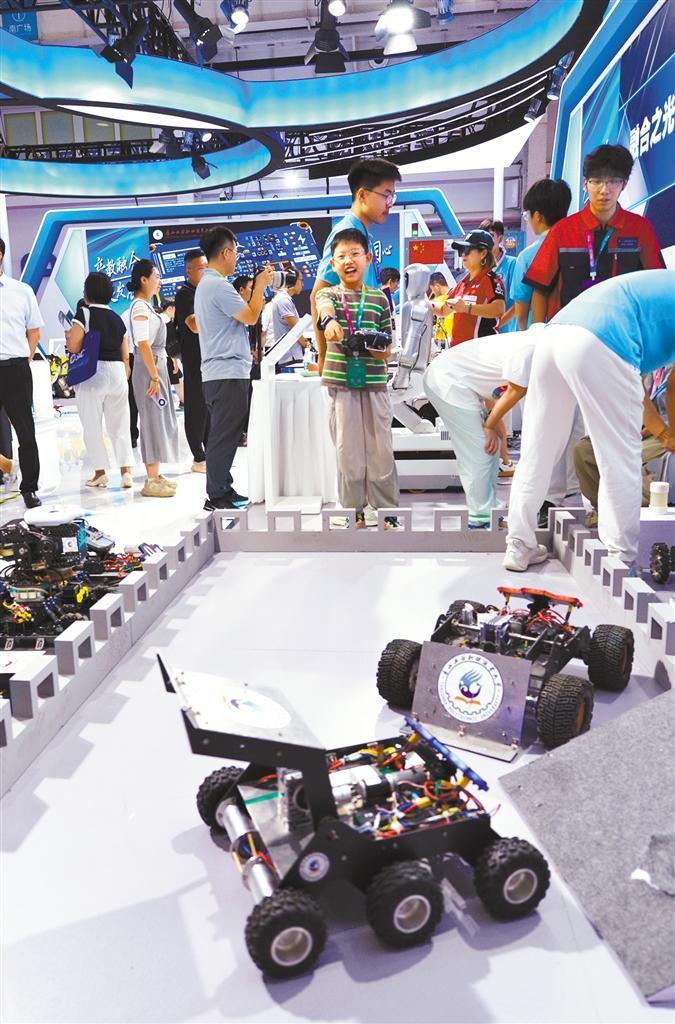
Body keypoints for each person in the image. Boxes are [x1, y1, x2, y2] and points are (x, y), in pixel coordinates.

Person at [504, 270, 675, 572]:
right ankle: (621, 561)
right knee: (619, 456)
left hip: (555, 334)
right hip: (602, 339)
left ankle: (519, 545)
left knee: (538, 450)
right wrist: (666, 434)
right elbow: (672, 388)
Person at [524, 144, 664, 323]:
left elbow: (655, 284)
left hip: (622, 330)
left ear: (624, 184)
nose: (604, 190)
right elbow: (540, 288)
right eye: (596, 181)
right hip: (569, 330)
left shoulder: (640, 229)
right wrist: (538, 330)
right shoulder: (562, 231)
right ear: (585, 184)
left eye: (613, 181)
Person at [316, 228, 398, 528]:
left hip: (375, 381)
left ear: (368, 258)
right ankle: (353, 511)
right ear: (333, 264)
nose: (348, 261)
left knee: (381, 448)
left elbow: (388, 346)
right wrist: (329, 322)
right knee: (347, 449)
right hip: (341, 382)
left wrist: (375, 348)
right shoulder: (328, 294)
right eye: (341, 256)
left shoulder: (379, 299)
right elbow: (324, 310)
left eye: (354, 254)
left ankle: (388, 511)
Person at [424, 329, 539, 528]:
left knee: (491, 447)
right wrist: (489, 425)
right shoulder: (531, 349)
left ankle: (488, 511)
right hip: (448, 382)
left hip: (457, 382)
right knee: (481, 450)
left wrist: (491, 424)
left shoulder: (533, 342)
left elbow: (487, 382)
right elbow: (514, 391)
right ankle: (480, 517)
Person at [193, 227, 273, 511]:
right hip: (226, 372)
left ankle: (223, 488)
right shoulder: (218, 286)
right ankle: (217, 495)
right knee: (224, 435)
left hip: (221, 371)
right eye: (236, 252)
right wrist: (259, 286)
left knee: (224, 433)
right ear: (226, 252)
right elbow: (250, 316)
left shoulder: (209, 285)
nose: (237, 258)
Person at [312, 157, 401, 373]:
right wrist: (323, 356)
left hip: (365, 363)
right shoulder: (345, 235)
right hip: (347, 366)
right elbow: (318, 294)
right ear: (362, 195)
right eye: (386, 195)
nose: (390, 204)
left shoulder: (363, 235)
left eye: (393, 196)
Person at [574, 370, 675, 524]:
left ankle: (631, 510)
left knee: (624, 457)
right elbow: (635, 393)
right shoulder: (653, 365)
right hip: (644, 428)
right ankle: (605, 511)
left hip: (667, 432)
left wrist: (658, 428)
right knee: (585, 449)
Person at [64, 271, 133, 489]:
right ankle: (126, 473)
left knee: (92, 425)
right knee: (120, 425)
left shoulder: (84, 313)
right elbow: (125, 354)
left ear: (87, 293)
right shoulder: (117, 318)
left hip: (92, 373)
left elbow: (74, 346)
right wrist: (123, 374)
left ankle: (100, 472)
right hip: (118, 372)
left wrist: (69, 337)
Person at [127, 260, 180, 498]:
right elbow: (142, 343)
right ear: (143, 280)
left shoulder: (146, 307)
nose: (160, 280)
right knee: (151, 420)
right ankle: (150, 479)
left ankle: (155, 474)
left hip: (154, 366)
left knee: (158, 419)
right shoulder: (139, 307)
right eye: (156, 276)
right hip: (149, 369)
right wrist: (154, 375)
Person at [0, 236, 43, 508]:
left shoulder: (21, 291)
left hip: (16, 368)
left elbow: (34, 331)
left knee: (25, 432)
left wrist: (24, 359)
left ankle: (29, 488)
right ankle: (6, 467)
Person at [512, 178, 572, 329]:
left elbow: (521, 315)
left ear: (538, 216)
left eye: (527, 215)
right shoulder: (579, 246)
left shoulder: (527, 257)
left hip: (541, 334)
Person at [174, 248, 209, 473]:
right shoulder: (185, 294)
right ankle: (198, 456)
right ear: (189, 271)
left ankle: (210, 453)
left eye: (208, 267)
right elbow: (193, 325)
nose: (206, 272)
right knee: (196, 406)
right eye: (201, 268)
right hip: (194, 357)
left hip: (210, 356)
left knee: (210, 406)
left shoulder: (206, 291)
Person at [441, 230, 506, 345]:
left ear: (483, 253)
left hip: (480, 351)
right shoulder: (462, 282)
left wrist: (467, 308)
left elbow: (499, 309)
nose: (463, 254)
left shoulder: (491, 280)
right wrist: (426, 305)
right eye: (461, 250)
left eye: (467, 250)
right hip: (458, 350)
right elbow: (444, 310)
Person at [479, 218, 517, 332]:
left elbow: (518, 303)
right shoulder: (478, 267)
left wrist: (497, 325)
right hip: (482, 332)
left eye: (490, 236)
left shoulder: (512, 264)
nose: (486, 241)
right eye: (483, 236)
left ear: (499, 238)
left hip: (505, 332)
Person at [267, 269, 308, 369]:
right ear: (292, 280)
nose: (302, 284)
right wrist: (308, 346)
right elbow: (295, 330)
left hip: (291, 355)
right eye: (301, 280)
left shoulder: (284, 299)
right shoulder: (283, 300)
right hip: (290, 356)